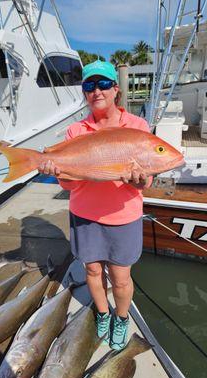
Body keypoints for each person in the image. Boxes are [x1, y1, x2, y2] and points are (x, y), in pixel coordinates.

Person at [38, 60, 152, 350]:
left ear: (116, 89)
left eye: (103, 84)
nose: (96, 91)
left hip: (123, 216)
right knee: (91, 271)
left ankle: (121, 317)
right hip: (85, 214)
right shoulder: (76, 132)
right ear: (85, 92)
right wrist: (58, 171)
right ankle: (103, 313)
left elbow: (145, 181)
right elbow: (69, 185)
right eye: (89, 85)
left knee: (121, 277)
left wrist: (139, 181)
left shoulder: (137, 126)